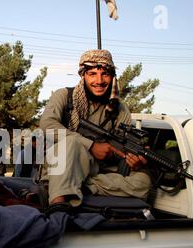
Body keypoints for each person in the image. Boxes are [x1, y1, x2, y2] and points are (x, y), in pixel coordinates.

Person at [39, 49, 151, 208]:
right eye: (92, 74)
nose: (99, 81)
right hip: (62, 163)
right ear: (83, 75)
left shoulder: (119, 110)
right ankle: (58, 207)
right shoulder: (64, 96)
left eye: (105, 74)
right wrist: (91, 146)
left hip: (96, 172)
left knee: (143, 183)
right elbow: (47, 125)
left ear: (112, 76)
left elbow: (119, 150)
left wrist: (134, 161)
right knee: (72, 143)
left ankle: (78, 186)